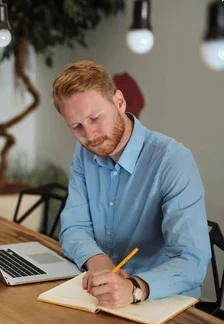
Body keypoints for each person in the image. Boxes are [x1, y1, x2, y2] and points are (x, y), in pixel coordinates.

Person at [53, 60, 211, 309]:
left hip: (161, 303)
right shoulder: (85, 153)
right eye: (76, 127)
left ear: (119, 102)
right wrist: (99, 264)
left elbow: (192, 261)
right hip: (101, 296)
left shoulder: (172, 161)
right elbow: (74, 227)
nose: (90, 135)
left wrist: (134, 288)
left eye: (95, 118)